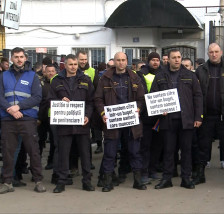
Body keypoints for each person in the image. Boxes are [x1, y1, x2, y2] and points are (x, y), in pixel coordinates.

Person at [0, 47, 46, 194]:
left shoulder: (32, 76)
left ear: (25, 58)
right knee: (7, 151)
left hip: (27, 118)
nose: (19, 59)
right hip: (8, 119)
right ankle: (7, 182)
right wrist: (10, 109)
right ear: (11, 59)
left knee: (33, 150)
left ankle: (38, 180)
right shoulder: (3, 76)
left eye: (21, 57)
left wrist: (18, 107)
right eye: (16, 57)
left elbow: (37, 97)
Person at [94, 52, 147, 192]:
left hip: (131, 121)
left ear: (127, 61)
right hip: (113, 121)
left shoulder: (135, 77)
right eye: (118, 60)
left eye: (123, 60)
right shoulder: (105, 79)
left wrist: (139, 109)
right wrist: (102, 113)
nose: (121, 63)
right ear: (114, 62)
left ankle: (137, 181)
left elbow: (142, 98)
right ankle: (108, 182)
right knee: (110, 152)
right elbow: (98, 99)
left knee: (135, 152)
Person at [151, 49, 203, 190]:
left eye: (179, 57)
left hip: (186, 119)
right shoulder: (160, 76)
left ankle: (186, 178)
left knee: (186, 150)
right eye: (174, 57)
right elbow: (153, 96)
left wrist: (198, 116)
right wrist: (159, 109)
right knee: (168, 150)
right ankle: (167, 178)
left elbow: (198, 96)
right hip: (167, 120)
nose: (177, 60)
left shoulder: (189, 75)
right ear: (168, 60)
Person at [193, 43, 224, 185]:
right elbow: (195, 94)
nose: (214, 54)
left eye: (216, 51)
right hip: (206, 117)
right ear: (208, 53)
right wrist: (198, 115)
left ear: (221, 52)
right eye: (211, 52)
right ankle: (200, 175)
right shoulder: (200, 70)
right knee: (203, 146)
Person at [50, 54, 95, 193]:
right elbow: (49, 99)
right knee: (64, 154)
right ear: (65, 65)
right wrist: (59, 102)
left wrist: (87, 116)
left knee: (85, 154)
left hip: (82, 124)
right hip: (64, 124)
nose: (74, 67)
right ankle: (61, 182)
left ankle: (87, 181)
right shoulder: (56, 81)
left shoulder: (86, 80)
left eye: (75, 64)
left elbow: (91, 101)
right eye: (71, 64)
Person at [136, 52, 163, 184]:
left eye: (157, 60)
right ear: (148, 61)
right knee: (145, 146)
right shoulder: (141, 74)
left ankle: (153, 170)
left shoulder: (164, 73)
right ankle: (144, 172)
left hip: (159, 117)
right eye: (153, 60)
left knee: (157, 146)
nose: (155, 62)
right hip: (146, 116)